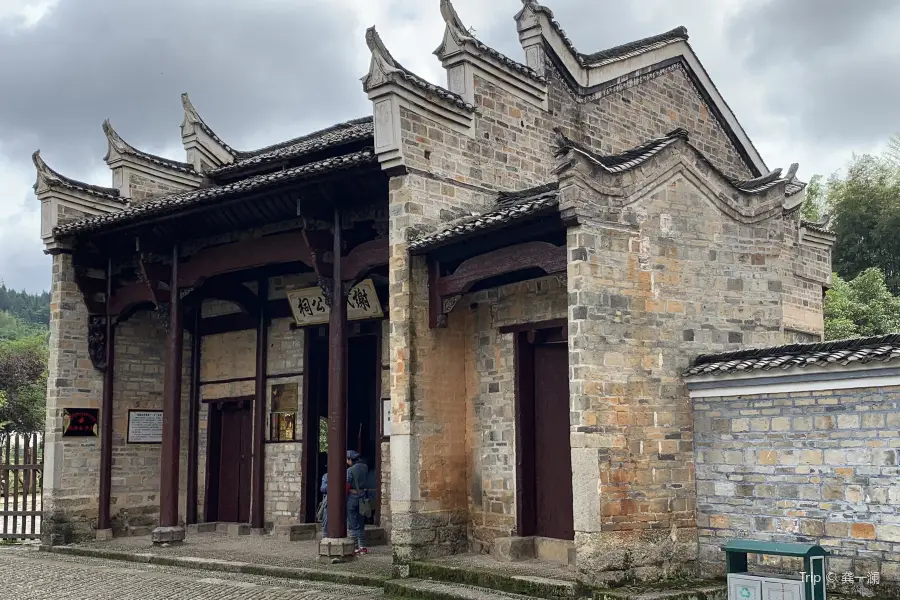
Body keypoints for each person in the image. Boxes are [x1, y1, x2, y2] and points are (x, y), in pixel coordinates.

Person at [346, 449, 369, 554]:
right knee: (361, 522)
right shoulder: (365, 467)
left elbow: (347, 485)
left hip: (352, 496)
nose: (347, 462)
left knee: (352, 522)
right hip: (363, 496)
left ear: (350, 459)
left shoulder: (350, 471)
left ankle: (354, 546)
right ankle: (362, 546)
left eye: (347, 459)